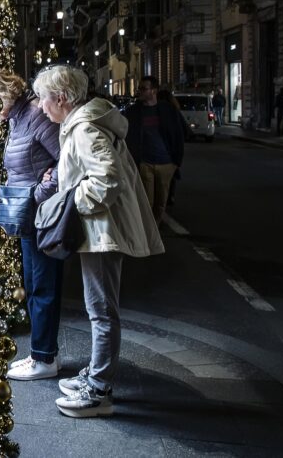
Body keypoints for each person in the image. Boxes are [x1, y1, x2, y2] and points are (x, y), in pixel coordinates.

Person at [33, 65, 165, 418]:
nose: (41, 105)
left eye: (44, 98)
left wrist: (70, 203)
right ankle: (96, 375)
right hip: (98, 231)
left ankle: (99, 390)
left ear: (61, 98)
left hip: (101, 233)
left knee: (102, 311)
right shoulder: (83, 123)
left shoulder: (84, 128)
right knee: (101, 309)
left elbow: (106, 179)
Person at [0, 70, 63, 381]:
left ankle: (44, 358)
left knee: (43, 285)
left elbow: (66, 161)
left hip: (41, 215)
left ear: (5, 97)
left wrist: (39, 192)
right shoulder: (19, 119)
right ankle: (41, 354)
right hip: (28, 217)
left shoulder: (35, 117)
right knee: (34, 284)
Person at [124, 76, 185, 224]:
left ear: (153, 91)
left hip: (166, 163)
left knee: (161, 202)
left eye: (144, 89)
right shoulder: (133, 112)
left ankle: (155, 230)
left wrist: (176, 162)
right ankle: (147, 233)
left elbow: (179, 135)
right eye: (139, 89)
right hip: (145, 163)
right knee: (146, 202)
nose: (140, 91)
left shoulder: (168, 110)